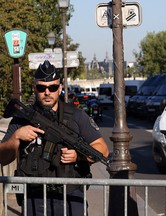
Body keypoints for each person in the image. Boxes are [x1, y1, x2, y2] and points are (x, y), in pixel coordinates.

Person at [0, 60, 109, 216]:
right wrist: (17, 137)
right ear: (34, 89)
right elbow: (2, 158)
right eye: (41, 87)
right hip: (34, 197)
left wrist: (79, 156)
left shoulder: (76, 116)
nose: (47, 92)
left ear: (60, 88)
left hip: (70, 196)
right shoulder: (23, 117)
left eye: (52, 87)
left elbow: (102, 149)